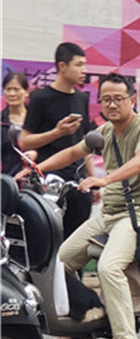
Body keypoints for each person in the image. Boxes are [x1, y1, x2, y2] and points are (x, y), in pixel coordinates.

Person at [34, 73, 140, 339]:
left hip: (138, 213)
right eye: (106, 99)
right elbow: (71, 152)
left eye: (118, 98)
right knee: (57, 263)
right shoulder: (104, 132)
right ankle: (85, 327)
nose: (112, 104)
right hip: (109, 214)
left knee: (108, 267)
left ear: (132, 99)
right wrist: (36, 169)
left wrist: (105, 181)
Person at [20, 41, 94, 237]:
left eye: (84, 65)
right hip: (48, 180)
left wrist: (92, 178)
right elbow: (24, 141)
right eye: (78, 65)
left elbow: (85, 143)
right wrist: (57, 132)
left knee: (75, 238)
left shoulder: (82, 98)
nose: (83, 70)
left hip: (77, 181)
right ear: (62, 66)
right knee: (46, 236)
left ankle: (71, 269)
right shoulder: (41, 98)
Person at [1, 71, 30, 176]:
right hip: (7, 180)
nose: (12, 94)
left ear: (26, 92)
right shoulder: (1, 121)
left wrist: (37, 154)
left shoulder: (37, 119)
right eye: (8, 89)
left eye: (16, 89)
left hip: (35, 181)